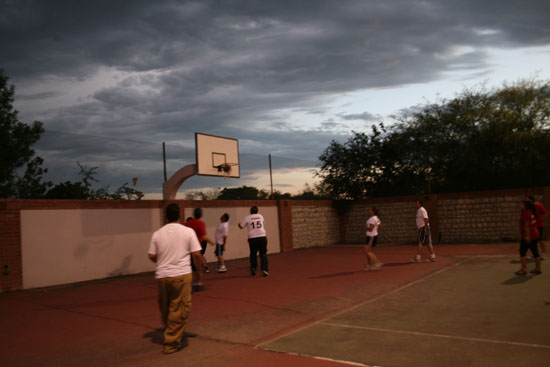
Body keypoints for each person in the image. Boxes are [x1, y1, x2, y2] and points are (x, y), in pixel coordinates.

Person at [148, 203, 203, 354]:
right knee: (179, 308)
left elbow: (151, 255)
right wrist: (198, 271)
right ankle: (171, 343)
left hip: (162, 276)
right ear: (180, 215)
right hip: (181, 274)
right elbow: (197, 254)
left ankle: (170, 329)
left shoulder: (158, 233)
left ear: (165, 216)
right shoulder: (187, 232)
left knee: (166, 308)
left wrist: (162, 261)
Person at [239, 206, 269, 276]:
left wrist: (239, 224)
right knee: (263, 254)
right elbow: (262, 223)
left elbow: (241, 226)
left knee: (253, 254)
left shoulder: (247, 217)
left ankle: (253, 268)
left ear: (250, 211)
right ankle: (265, 269)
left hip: (252, 238)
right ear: (257, 211)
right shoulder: (261, 216)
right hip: (262, 236)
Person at [185, 208, 215, 274]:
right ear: (201, 215)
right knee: (199, 256)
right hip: (200, 243)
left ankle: (202, 268)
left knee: (196, 258)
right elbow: (204, 236)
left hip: (193, 244)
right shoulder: (201, 223)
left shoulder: (187, 223)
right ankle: (203, 269)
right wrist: (211, 242)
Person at [516, 200, 542, 275]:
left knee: (522, 252)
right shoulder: (531, 212)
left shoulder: (526, 213)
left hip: (529, 235)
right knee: (535, 252)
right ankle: (538, 268)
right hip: (534, 234)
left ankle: (523, 270)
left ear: (525, 206)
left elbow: (527, 225)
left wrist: (527, 236)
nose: (520, 205)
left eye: (521, 204)